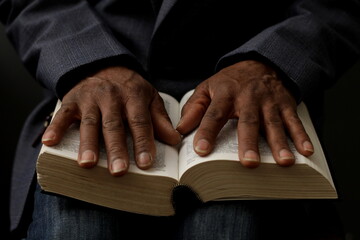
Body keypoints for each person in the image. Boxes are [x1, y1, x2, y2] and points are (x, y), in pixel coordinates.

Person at [1, 0, 359, 239]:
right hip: (93, 83)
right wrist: (89, 64)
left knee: (230, 229)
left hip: (257, 93)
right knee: (75, 232)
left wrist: (274, 64)